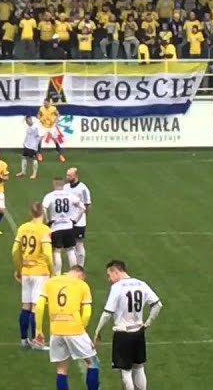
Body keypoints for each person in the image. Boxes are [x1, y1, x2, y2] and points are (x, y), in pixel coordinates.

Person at [95, 260, 163, 390]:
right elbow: (157, 305)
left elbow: (107, 313)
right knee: (139, 366)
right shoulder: (141, 284)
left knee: (125, 370)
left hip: (123, 333)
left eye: (110, 275)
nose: (109, 279)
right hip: (138, 332)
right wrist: (148, 323)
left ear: (116, 271)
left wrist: (98, 330)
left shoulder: (117, 287)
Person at [34, 266, 100, 390]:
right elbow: (86, 313)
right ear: (80, 275)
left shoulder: (50, 282)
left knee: (61, 369)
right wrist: (82, 329)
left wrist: (38, 330)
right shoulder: (82, 285)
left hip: (56, 331)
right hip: (75, 329)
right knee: (92, 362)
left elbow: (39, 306)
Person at [12, 202, 54, 350]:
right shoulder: (45, 230)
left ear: (31, 213)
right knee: (37, 306)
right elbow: (48, 254)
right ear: (42, 212)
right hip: (40, 272)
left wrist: (18, 268)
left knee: (25, 306)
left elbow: (15, 250)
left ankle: (24, 339)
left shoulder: (23, 228)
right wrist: (53, 272)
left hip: (26, 271)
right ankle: (37, 340)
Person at [43, 177, 83, 274]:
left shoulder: (50, 196)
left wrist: (48, 221)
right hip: (68, 226)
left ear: (54, 184)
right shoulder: (70, 195)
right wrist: (75, 220)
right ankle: (74, 273)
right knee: (70, 250)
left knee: (57, 251)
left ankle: (57, 274)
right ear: (63, 185)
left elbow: (44, 208)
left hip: (56, 226)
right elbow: (82, 208)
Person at [65, 167, 92, 268]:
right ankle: (74, 267)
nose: (67, 177)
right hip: (68, 221)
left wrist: (84, 217)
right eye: (67, 175)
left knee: (79, 244)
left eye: (69, 175)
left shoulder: (83, 188)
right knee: (70, 245)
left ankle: (80, 267)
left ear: (76, 176)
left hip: (79, 221)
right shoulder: (66, 187)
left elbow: (87, 204)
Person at [36, 98, 66, 163]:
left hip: (51, 126)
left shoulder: (53, 108)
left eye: (46, 103)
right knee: (39, 139)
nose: (45, 104)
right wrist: (40, 118)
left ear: (49, 103)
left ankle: (60, 154)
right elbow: (38, 115)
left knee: (55, 139)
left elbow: (58, 115)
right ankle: (39, 153)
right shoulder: (41, 108)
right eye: (44, 103)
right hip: (43, 126)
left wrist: (54, 120)